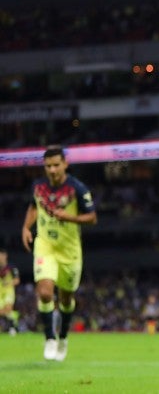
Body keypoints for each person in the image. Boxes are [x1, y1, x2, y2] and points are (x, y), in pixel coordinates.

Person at [21, 145, 98, 361]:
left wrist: (68, 217)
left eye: (56, 165)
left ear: (65, 164)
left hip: (70, 250)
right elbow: (33, 207)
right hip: (46, 244)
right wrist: (26, 227)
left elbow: (92, 217)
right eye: (48, 166)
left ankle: (63, 337)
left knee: (65, 298)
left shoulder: (77, 188)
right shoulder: (38, 187)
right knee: (45, 292)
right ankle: (49, 338)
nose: (52, 170)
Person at [0, 248, 21, 335]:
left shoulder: (12, 267)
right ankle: (15, 317)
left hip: (9, 292)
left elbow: (17, 280)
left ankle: (12, 327)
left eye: (1, 255)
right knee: (2, 311)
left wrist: (9, 283)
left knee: (8, 309)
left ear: (5, 256)